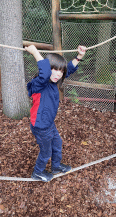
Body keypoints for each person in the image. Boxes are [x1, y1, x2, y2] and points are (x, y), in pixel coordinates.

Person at [25, 44, 86, 182]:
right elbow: (45, 72)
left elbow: (68, 69)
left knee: (57, 144)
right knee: (46, 152)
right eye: (54, 69)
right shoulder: (39, 83)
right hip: (40, 126)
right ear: (47, 69)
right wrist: (35, 52)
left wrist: (79, 57)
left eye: (60, 72)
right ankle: (37, 172)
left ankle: (56, 166)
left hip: (49, 124)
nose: (58, 74)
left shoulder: (54, 82)